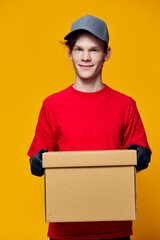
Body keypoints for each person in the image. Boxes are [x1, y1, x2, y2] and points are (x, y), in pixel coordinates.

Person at [28, 15, 151, 240]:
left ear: (107, 54)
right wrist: (38, 161)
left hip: (114, 229)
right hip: (66, 229)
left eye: (94, 50)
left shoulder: (126, 105)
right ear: (69, 53)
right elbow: (37, 160)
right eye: (79, 49)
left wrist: (140, 155)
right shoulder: (52, 105)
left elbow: (141, 153)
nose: (85, 57)